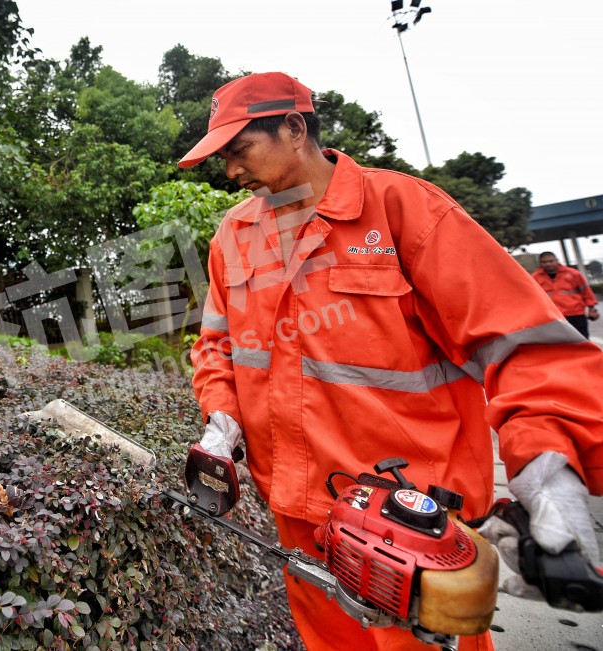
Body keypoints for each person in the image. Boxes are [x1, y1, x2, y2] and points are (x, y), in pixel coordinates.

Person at [178, 72, 603, 651]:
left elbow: (525, 348)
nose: (230, 171)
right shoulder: (234, 235)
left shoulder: (404, 211)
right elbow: (217, 345)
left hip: (409, 522)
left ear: (295, 128)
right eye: (223, 157)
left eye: (240, 150)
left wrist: (549, 476)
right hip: (298, 514)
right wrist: (221, 421)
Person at [531, 251, 599, 338]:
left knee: (581, 340)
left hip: (575, 314)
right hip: (552, 317)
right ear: (540, 263)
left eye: (551, 261)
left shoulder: (573, 274)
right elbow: (532, 299)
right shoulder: (534, 278)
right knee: (558, 342)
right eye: (544, 262)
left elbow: (586, 292)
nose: (548, 264)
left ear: (557, 260)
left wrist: (592, 309)